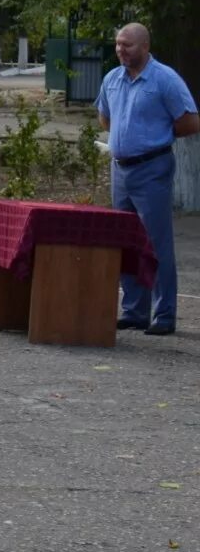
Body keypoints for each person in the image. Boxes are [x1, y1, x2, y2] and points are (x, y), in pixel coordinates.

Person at [96, 22, 200, 336]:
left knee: (156, 242)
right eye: (117, 44)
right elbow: (104, 117)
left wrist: (155, 136)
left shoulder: (164, 79)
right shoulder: (112, 79)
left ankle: (164, 314)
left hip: (152, 168)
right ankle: (134, 311)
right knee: (126, 241)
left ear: (144, 46)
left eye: (127, 45)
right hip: (120, 169)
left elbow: (190, 121)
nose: (120, 50)